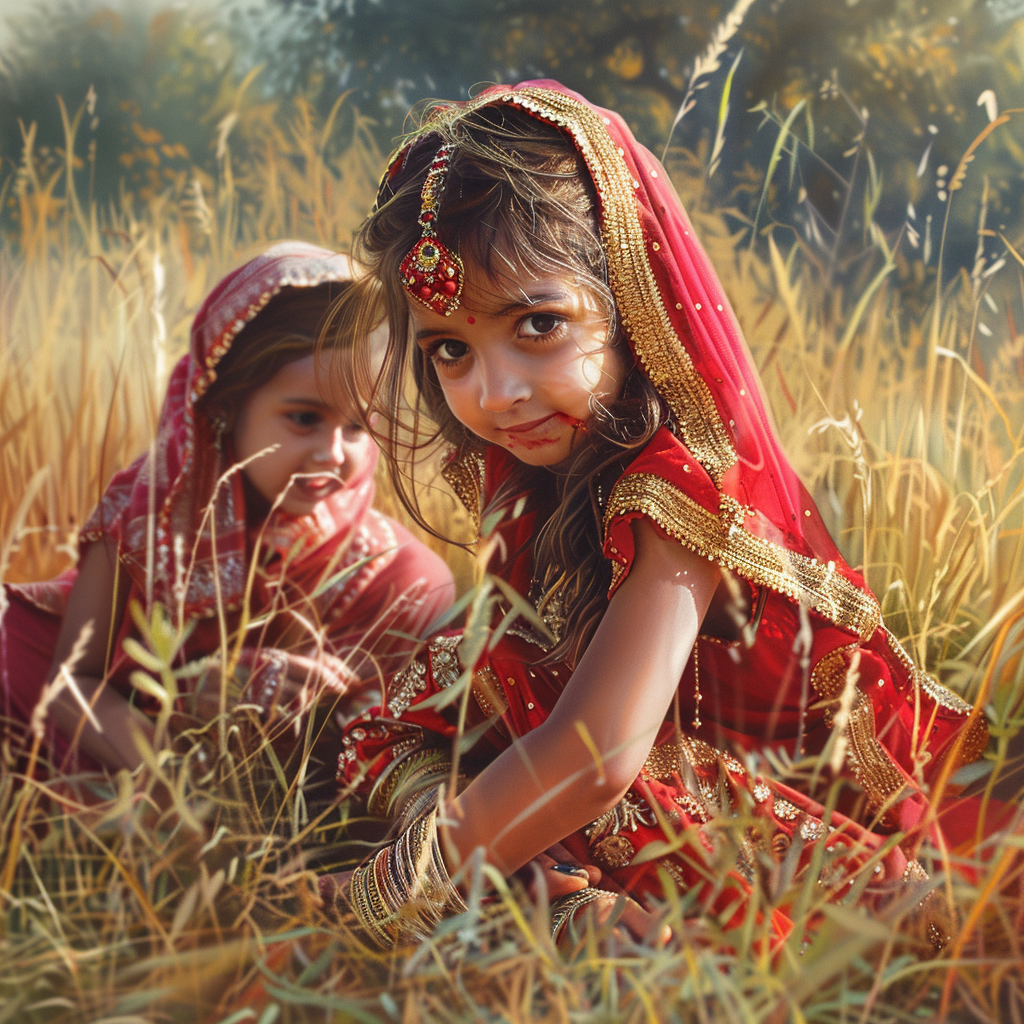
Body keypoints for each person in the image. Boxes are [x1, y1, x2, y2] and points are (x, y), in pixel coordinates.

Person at [327, 83, 989, 950]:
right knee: (452, 681)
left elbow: (597, 757)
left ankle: (558, 909)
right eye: (450, 349)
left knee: (565, 757)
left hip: (809, 822)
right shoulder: (547, 469)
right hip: (658, 776)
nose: (494, 393)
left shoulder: (678, 488)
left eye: (537, 325)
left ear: (633, 301)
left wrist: (386, 892)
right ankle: (544, 896)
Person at [1, 241, 455, 785]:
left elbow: (367, 752)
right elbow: (72, 685)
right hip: (117, 739)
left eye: (359, 426)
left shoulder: (399, 580)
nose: (334, 454)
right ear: (224, 408)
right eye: (304, 418)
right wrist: (189, 717)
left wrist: (248, 703)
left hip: (275, 795)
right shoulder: (149, 509)